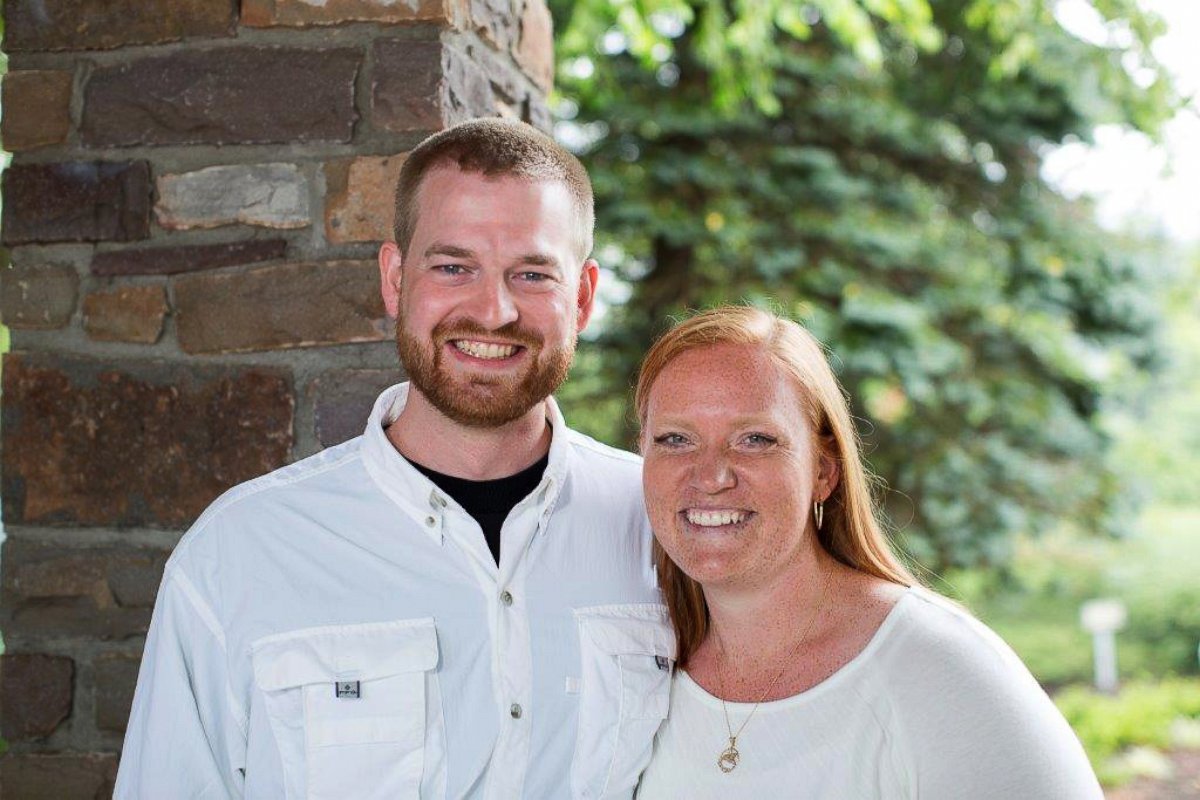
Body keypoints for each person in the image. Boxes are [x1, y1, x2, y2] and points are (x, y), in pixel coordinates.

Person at [116, 119, 675, 800]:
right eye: (453, 267)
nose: (494, 312)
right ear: (394, 279)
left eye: (531, 273)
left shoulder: (664, 526)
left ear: (583, 297)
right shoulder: (238, 554)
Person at [634, 306, 1103, 799]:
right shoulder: (644, 669)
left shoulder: (939, 668)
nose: (711, 476)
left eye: (755, 440)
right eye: (675, 439)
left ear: (823, 472)